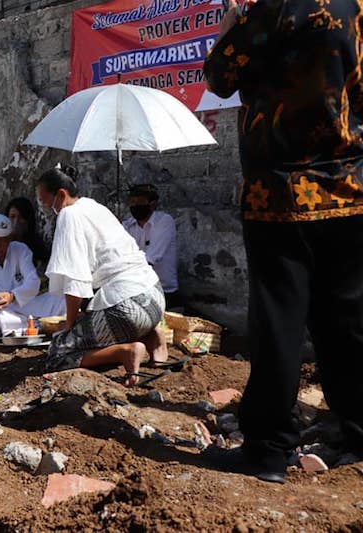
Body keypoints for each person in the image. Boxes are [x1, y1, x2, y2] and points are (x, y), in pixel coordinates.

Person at [204, 0, 363, 483]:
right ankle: (358, 433)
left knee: (278, 325)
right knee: (349, 319)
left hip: (278, 195)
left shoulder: (270, 11)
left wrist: (230, 23)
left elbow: (218, 77)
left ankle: (269, 451)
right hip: (351, 189)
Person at [36, 166, 169, 385]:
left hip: (127, 307)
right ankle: (152, 336)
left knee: (57, 352)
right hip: (155, 297)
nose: (45, 207)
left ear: (61, 195)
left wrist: (69, 325)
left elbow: (75, 279)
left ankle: (125, 351)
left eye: (44, 201)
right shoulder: (92, 206)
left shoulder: (69, 214)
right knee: (93, 324)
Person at [121, 184, 180, 309]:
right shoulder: (127, 226)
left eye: (140, 202)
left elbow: (151, 259)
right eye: (132, 202)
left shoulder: (164, 222)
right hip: (135, 290)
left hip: (163, 292)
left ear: (153, 204)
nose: (135, 206)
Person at [4, 197, 48, 267]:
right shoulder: (1, 244)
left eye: (21, 217)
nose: (16, 222)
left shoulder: (36, 247)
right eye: (12, 217)